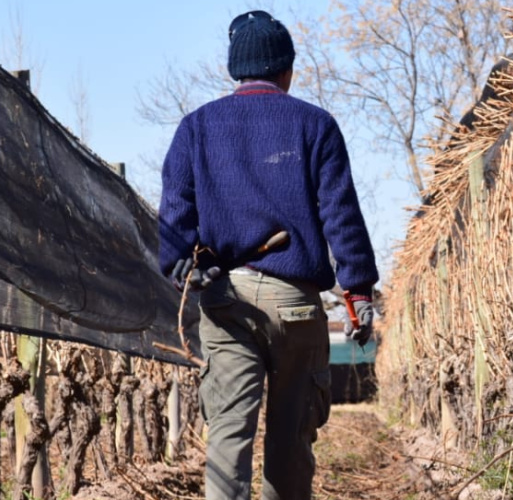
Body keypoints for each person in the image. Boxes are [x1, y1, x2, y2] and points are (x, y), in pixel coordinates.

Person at [157, 10, 378, 500]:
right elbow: (340, 213)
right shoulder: (315, 125)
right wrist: (358, 291)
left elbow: (175, 208)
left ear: (235, 69)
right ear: (287, 69)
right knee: (291, 438)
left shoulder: (196, 127)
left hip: (226, 299)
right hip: (295, 303)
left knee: (227, 436)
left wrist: (180, 264)